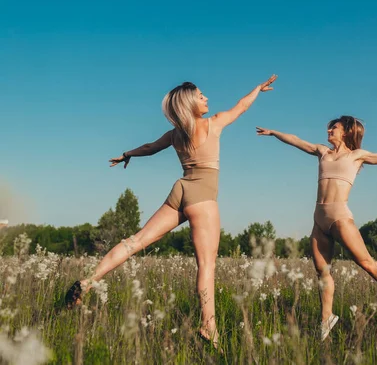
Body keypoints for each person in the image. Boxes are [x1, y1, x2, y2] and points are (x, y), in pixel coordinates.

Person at [65, 75, 278, 349]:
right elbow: (242, 106)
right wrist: (258, 89)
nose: (206, 99)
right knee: (207, 265)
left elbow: (150, 148)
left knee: (135, 242)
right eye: (201, 96)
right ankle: (208, 326)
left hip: (181, 190)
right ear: (190, 103)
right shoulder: (213, 124)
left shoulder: (175, 135)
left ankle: (87, 281)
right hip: (202, 196)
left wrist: (127, 153)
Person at [256, 115, 377, 340]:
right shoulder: (322, 152)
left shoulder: (357, 156)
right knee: (322, 271)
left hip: (340, 217)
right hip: (319, 219)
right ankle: (326, 318)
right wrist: (274, 133)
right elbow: (296, 140)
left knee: (367, 264)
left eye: (334, 127)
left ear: (347, 132)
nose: (329, 130)